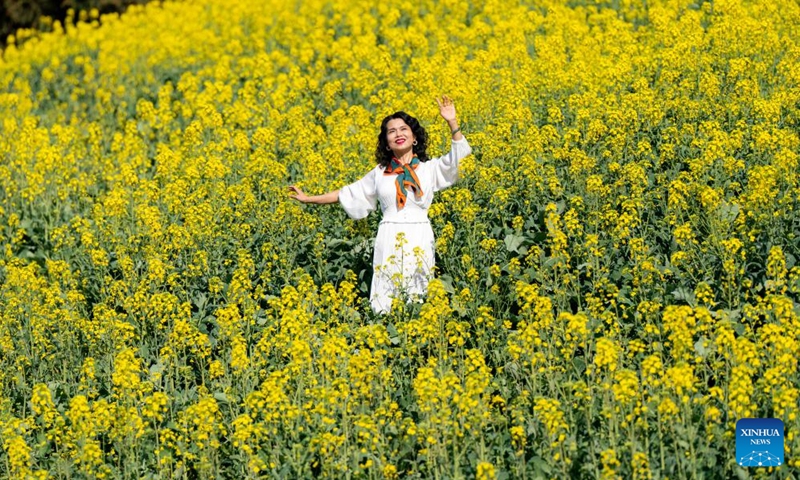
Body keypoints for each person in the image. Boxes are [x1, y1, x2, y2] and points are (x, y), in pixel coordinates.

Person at [288, 95, 472, 314]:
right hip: (389, 236)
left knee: (419, 289)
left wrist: (452, 122)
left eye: (403, 129)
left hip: (420, 235)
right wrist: (309, 199)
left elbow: (459, 160)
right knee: (385, 291)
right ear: (386, 142)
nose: (398, 134)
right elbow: (347, 193)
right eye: (391, 131)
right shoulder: (379, 173)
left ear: (414, 137)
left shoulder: (429, 169)